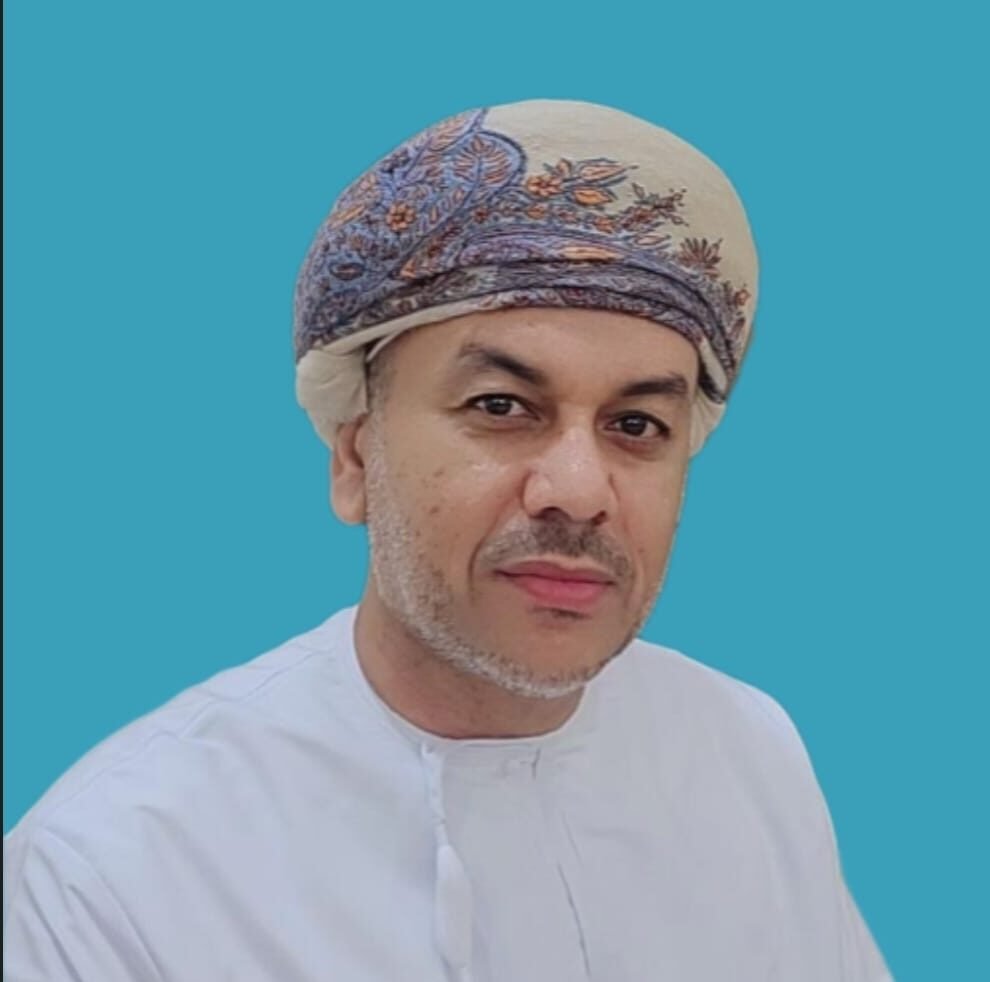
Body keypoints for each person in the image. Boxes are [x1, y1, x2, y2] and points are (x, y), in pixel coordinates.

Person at [3, 99, 892, 981]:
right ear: (356, 459)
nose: (580, 492)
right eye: (501, 407)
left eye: (635, 425)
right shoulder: (113, 875)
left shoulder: (745, 751)